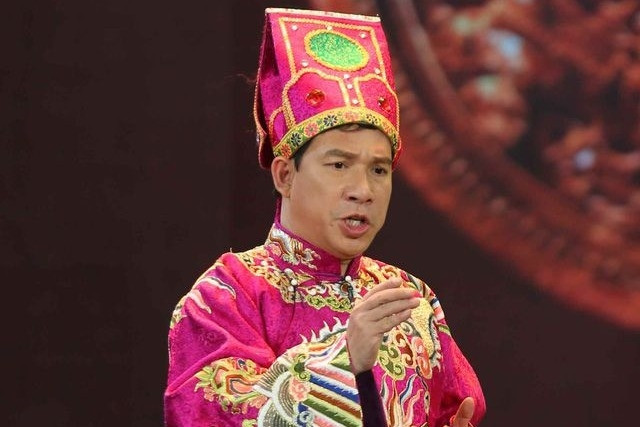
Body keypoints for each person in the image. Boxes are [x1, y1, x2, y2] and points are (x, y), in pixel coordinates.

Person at [164, 7, 486, 427]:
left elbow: (457, 406)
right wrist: (344, 358)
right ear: (285, 175)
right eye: (338, 165)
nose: (362, 190)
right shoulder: (228, 295)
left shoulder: (410, 299)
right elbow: (210, 413)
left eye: (379, 170)